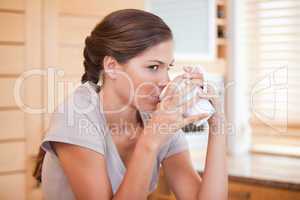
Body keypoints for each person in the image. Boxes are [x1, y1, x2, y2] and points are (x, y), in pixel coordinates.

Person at [33, 8, 227, 200]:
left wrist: (218, 124)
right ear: (111, 67)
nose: (165, 80)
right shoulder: (75, 116)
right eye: (153, 67)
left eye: (168, 67)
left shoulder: (155, 116)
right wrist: (151, 139)